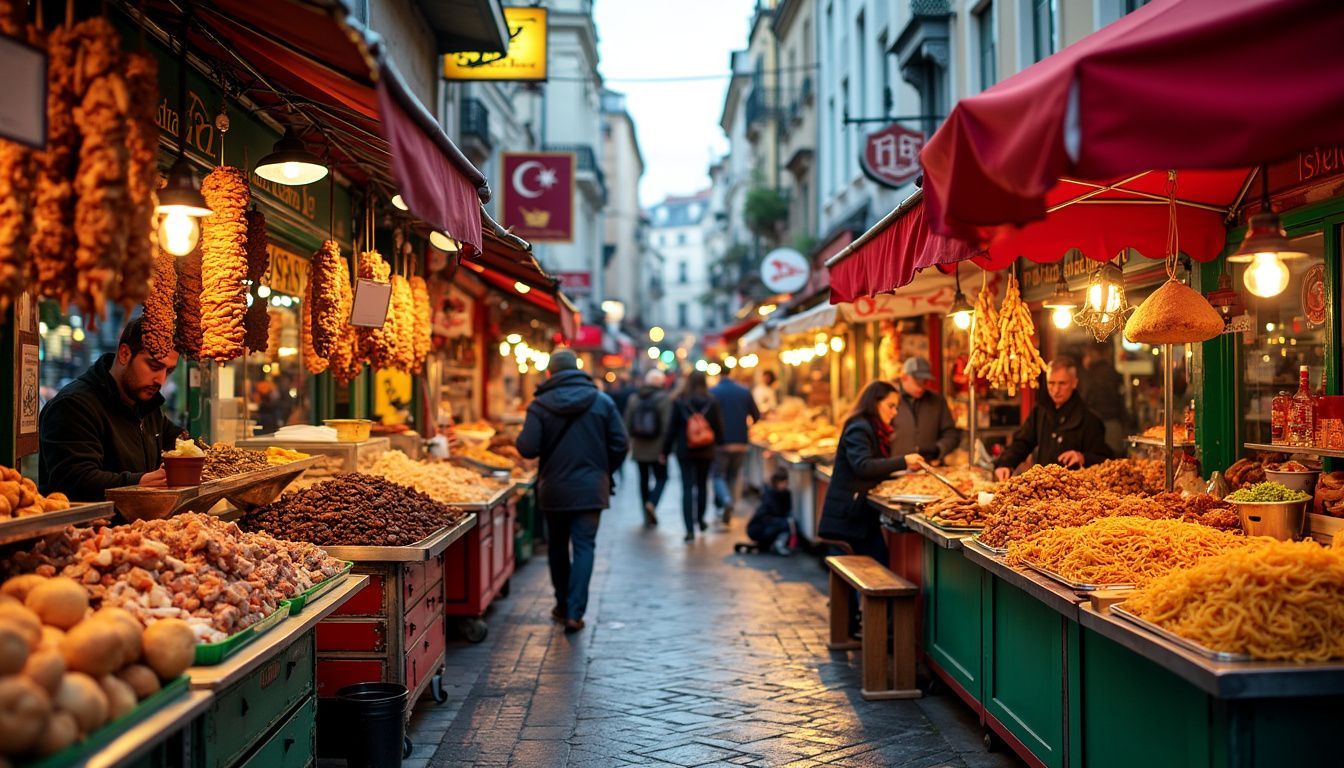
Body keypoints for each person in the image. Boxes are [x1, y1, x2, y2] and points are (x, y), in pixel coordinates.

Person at [516, 348, 629, 633]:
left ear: (550, 373)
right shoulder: (602, 401)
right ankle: (575, 612)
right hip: (591, 488)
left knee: (557, 547)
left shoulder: (539, 405)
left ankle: (562, 604)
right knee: (584, 547)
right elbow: (621, 444)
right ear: (578, 369)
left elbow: (527, 448)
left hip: (555, 488)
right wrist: (603, 469)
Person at [39, 316, 182, 501]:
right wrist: (140, 482)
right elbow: (75, 482)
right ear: (124, 354)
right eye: (154, 366)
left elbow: (179, 439)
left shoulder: (146, 405)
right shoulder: (73, 405)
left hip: (139, 527)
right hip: (86, 529)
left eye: (168, 371)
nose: (161, 380)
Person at [818, 381, 926, 561]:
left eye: (896, 407)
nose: (895, 412)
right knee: (877, 562)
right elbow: (864, 466)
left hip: (857, 517)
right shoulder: (859, 427)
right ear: (875, 402)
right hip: (847, 519)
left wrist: (904, 475)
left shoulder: (874, 428)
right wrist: (903, 461)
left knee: (879, 558)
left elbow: (875, 467)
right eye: (891, 406)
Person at [994, 359, 1113, 481]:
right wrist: (1006, 463)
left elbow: (1106, 460)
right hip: (1042, 489)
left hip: (1077, 493)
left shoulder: (1090, 420)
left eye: (1062, 383)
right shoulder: (1040, 411)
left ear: (1074, 383)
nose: (1056, 390)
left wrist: (1083, 458)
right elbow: (1022, 442)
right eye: (1051, 383)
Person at [661, 370, 725, 542]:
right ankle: (700, 519)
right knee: (703, 485)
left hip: (685, 450)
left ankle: (689, 529)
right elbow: (719, 429)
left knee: (687, 487)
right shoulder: (712, 401)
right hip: (706, 450)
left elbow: (671, 429)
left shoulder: (680, 401)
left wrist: (664, 451)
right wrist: (717, 444)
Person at [710, 369, 760, 524]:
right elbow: (756, 415)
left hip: (720, 443)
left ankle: (726, 501)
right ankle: (730, 502)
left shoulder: (713, 392)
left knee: (718, 475)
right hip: (740, 441)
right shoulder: (744, 391)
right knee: (733, 474)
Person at [625, 369, 674, 527]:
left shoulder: (634, 398)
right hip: (658, 446)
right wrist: (667, 448)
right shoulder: (664, 398)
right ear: (661, 382)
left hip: (639, 446)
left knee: (643, 480)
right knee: (662, 477)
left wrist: (629, 443)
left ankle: (646, 512)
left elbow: (627, 422)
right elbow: (667, 425)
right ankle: (652, 502)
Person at [890, 357, 961, 463]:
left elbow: (952, 434)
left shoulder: (938, 401)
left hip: (929, 469)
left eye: (925, 381)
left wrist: (939, 449)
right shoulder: (888, 401)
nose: (921, 387)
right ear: (904, 377)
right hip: (895, 469)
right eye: (917, 381)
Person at [1078, 345, 1128, 455]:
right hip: (1113, 423)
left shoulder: (1088, 375)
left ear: (1094, 354)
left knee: (1096, 461)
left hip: (1094, 425)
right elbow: (1121, 400)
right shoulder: (1113, 373)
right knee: (1114, 461)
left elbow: (1085, 399)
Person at [747, 468, 795, 555]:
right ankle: (777, 544)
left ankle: (773, 543)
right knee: (785, 524)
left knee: (789, 523)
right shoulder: (770, 494)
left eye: (785, 482)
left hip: (767, 524)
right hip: (760, 527)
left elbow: (787, 510)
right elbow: (773, 512)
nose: (784, 485)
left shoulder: (786, 494)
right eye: (782, 482)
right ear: (776, 482)